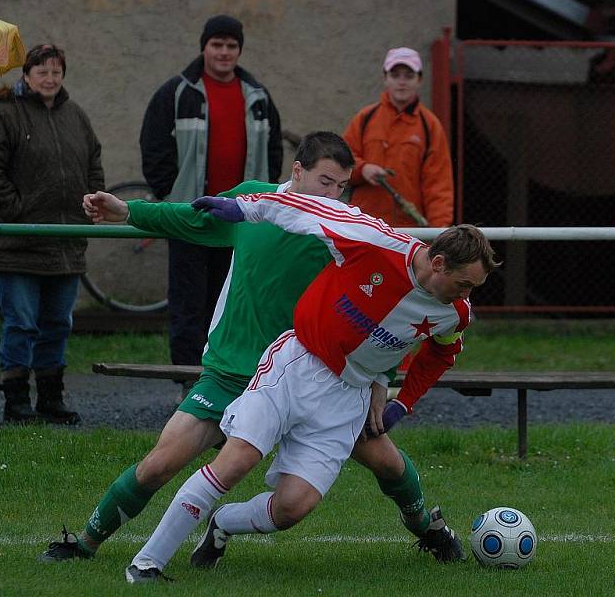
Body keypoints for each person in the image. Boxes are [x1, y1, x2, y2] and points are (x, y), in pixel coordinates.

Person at [39, 132, 465, 574]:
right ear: (296, 171)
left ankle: (427, 529)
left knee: (388, 462)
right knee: (159, 465)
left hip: (316, 373)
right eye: (324, 181)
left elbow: (389, 311)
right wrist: (128, 211)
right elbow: (193, 218)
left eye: (341, 186)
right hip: (233, 369)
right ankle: (85, 543)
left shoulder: (344, 230)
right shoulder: (252, 201)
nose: (333, 195)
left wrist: (380, 383)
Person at [122, 182, 498, 581]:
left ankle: (223, 524)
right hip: (297, 365)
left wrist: (401, 402)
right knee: (235, 463)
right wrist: (243, 207)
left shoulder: (453, 312)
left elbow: (442, 354)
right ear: (438, 264)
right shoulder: (373, 239)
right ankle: (146, 563)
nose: (467, 297)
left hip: (346, 398)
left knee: (291, 509)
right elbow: (303, 208)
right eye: (465, 284)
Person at [140, 14, 283, 392]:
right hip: (191, 217)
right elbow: (153, 147)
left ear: (239, 50)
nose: (224, 52)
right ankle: (189, 385)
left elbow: (272, 154)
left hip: (240, 222)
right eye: (217, 45)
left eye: (231, 46)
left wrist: (262, 203)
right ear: (204, 47)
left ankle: (228, 383)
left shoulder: (258, 98)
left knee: (232, 305)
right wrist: (171, 196)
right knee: (188, 306)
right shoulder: (177, 92)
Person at [0, 44, 105, 425]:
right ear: (26, 75)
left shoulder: (75, 116)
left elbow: (94, 161)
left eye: (56, 72)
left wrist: (92, 200)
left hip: (66, 243)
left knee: (57, 324)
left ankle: (50, 397)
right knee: (22, 323)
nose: (49, 79)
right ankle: (16, 400)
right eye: (42, 72)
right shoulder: (5, 115)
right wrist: (16, 209)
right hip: (20, 244)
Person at [342, 47, 453, 228]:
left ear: (419, 80)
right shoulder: (365, 118)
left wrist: (439, 233)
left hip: (409, 232)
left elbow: (439, 186)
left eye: (409, 76)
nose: (402, 82)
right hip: (364, 227)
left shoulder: (430, 126)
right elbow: (340, 163)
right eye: (395, 75)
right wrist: (363, 169)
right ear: (385, 78)